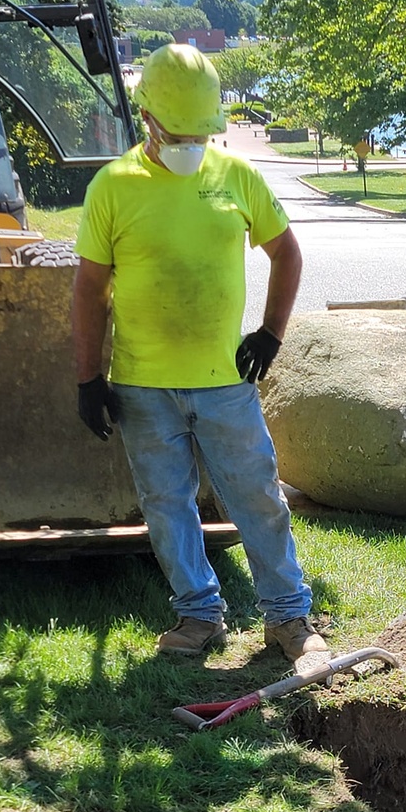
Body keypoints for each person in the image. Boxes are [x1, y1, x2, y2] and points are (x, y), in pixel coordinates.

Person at [71, 44, 326, 662]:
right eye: (175, 130)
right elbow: (90, 288)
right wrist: (88, 377)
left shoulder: (238, 178)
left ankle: (289, 618)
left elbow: (286, 254)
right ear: (148, 120)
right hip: (141, 384)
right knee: (166, 504)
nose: (188, 141)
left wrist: (270, 332)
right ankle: (199, 616)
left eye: (198, 132)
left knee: (257, 498)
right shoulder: (114, 185)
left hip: (223, 381)